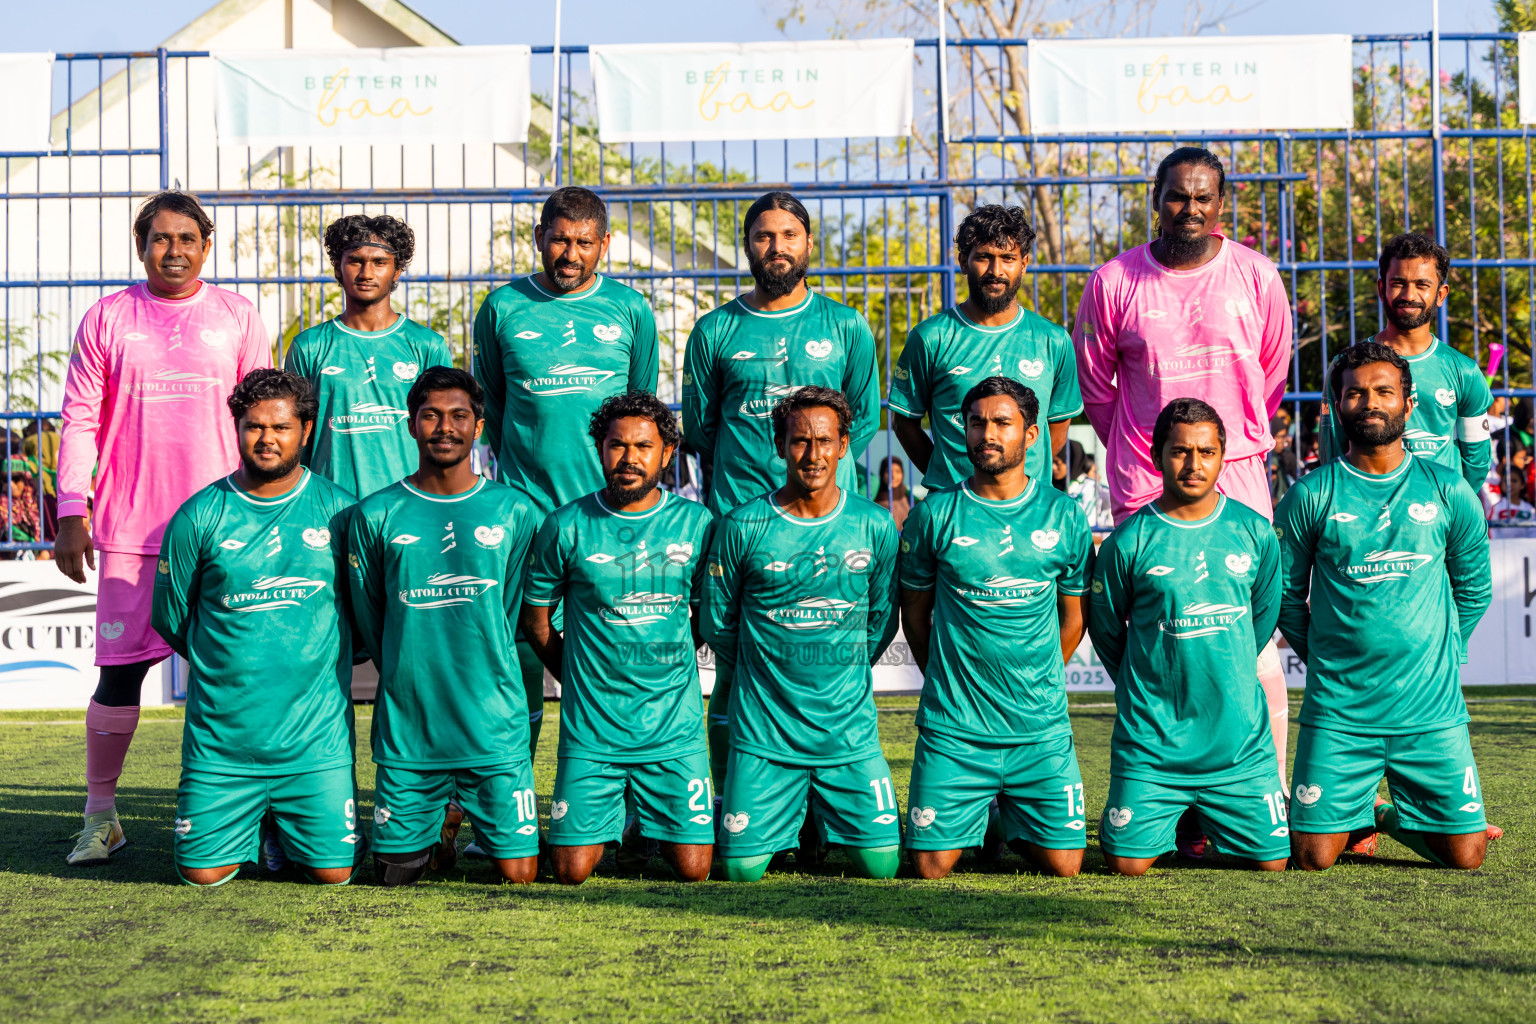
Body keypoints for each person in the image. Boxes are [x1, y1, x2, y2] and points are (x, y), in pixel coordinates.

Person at [1072, 147, 1293, 847]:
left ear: (1221, 204)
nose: (1189, 209)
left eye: (1203, 197)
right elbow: (1098, 388)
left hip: (1238, 475)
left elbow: (1272, 373)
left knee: (1251, 649)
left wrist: (1224, 449)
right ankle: (1175, 807)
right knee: (1161, 643)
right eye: (1176, 197)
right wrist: (1146, 456)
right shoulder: (1115, 282)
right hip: (1146, 484)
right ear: (1156, 199)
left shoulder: (1256, 275)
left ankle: (1264, 796)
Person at [56, 190, 272, 867]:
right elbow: (80, 420)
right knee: (119, 676)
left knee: (239, 677)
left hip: (224, 529)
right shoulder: (108, 318)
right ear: (140, 244)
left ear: (207, 245)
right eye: (160, 239)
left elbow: (266, 418)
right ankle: (100, 817)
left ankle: (254, 815)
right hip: (130, 531)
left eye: (187, 238)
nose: (173, 250)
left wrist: (269, 514)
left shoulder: (236, 316)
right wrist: (70, 512)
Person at [682, 191, 880, 790]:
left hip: (825, 526)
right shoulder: (715, 330)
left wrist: (811, 486)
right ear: (748, 245)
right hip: (739, 523)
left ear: (808, 243)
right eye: (764, 236)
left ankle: (822, 802)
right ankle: (729, 797)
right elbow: (700, 427)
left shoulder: (845, 326)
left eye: (789, 235)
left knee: (823, 660)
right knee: (734, 664)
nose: (777, 247)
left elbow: (863, 419)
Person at [1277, 343, 1492, 870]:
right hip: (1341, 711)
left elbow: (1474, 588)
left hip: (1430, 708)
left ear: (1409, 402)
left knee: (1467, 857)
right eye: (1356, 392)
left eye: (1383, 392)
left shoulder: (1449, 490)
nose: (1370, 402)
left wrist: (1441, 649)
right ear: (1338, 404)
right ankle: (1361, 812)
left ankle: (1379, 815)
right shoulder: (1312, 494)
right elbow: (1284, 594)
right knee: (1312, 857)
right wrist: (1324, 654)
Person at [151, 369, 360, 886]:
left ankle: (283, 824)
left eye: (281, 427)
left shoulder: (340, 511)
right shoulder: (199, 515)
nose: (267, 438)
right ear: (237, 427)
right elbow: (171, 618)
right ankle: (258, 821)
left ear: (306, 431)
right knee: (200, 874)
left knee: (333, 874)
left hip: (315, 742)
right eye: (253, 426)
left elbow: (362, 615)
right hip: (224, 743)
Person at [473, 186, 659, 762]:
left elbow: (641, 411)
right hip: (526, 515)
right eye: (559, 239)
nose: (570, 254)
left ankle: (630, 805)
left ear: (604, 243)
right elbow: (495, 408)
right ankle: (510, 798)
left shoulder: (630, 309)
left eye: (584, 242)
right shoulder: (501, 308)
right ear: (539, 237)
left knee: (617, 648)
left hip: (609, 514)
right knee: (520, 654)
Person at [347, 367, 543, 885]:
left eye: (459, 416)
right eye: (430, 415)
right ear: (410, 425)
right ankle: (438, 828)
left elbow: (516, 608)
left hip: (491, 724)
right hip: (412, 727)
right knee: (393, 876)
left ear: (479, 426)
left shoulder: (515, 509)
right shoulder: (375, 514)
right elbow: (372, 618)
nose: (444, 427)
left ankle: (456, 815)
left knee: (520, 873)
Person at [703, 386, 901, 881]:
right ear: (778, 444)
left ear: (844, 444)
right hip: (765, 733)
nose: (813, 455)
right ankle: (798, 814)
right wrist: (767, 666)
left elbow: (882, 621)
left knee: (881, 868)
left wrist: (836, 665)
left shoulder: (874, 524)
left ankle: (817, 815)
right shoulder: (742, 524)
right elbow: (718, 623)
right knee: (740, 872)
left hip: (846, 733)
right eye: (799, 442)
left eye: (824, 441)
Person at [899, 377, 1092, 879]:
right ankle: (979, 812)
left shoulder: (1064, 516)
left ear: (1031, 435)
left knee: (1066, 865)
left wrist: (1042, 674)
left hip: (1039, 728)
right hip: (955, 729)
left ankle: (1002, 818)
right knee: (929, 866)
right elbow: (915, 616)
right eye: (977, 422)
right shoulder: (935, 515)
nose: (987, 433)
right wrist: (945, 677)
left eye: (1002, 422)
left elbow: (1073, 619)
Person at [522, 391, 717, 884]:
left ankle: (641, 827)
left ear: (666, 454)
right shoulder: (565, 525)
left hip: (673, 728)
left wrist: (666, 656)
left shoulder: (698, 525)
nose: (629, 459)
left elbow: (704, 616)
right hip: (594, 732)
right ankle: (627, 820)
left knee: (694, 871)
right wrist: (573, 671)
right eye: (617, 445)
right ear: (599, 448)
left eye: (643, 447)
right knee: (570, 872)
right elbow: (536, 617)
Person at [1087, 398, 1288, 874]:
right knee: (1125, 865)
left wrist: (1228, 663)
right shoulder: (1128, 541)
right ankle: (1171, 814)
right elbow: (1107, 628)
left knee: (1271, 865)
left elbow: (1262, 619)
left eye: (1206, 452)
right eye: (1180, 452)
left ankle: (1201, 816)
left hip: (1237, 744)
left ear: (1223, 457)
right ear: (1156, 455)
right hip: (1154, 743)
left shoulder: (1255, 532)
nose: (1194, 465)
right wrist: (1150, 677)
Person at [890, 205, 1081, 498]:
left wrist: (1017, 478)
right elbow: (904, 423)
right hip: (953, 507)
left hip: (1029, 508)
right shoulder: (931, 338)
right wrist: (949, 477)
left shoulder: (1053, 340)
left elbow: (1057, 423)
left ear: (1024, 263)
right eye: (983, 257)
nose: (996, 271)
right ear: (963, 262)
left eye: (1008, 258)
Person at [285, 214, 452, 499]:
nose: (366, 273)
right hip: (329, 507)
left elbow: (443, 435)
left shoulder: (427, 346)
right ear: (338, 267)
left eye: (379, 262)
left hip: (408, 506)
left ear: (397, 270)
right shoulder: (309, 347)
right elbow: (293, 435)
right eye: (355, 261)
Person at [1319, 235, 1492, 497]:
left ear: (1440, 294)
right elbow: (1332, 452)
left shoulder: (1463, 371)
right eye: (1398, 283)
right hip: (1366, 512)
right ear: (1381, 289)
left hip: (1439, 522)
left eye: (1422, 284)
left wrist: (1450, 510)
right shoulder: (1346, 366)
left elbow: (1476, 461)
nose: (1409, 295)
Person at [873, 456, 910, 529]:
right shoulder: (874, 499)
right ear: (882, 473)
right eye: (888, 472)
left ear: (903, 474)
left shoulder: (909, 497)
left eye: (897, 472)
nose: (893, 476)